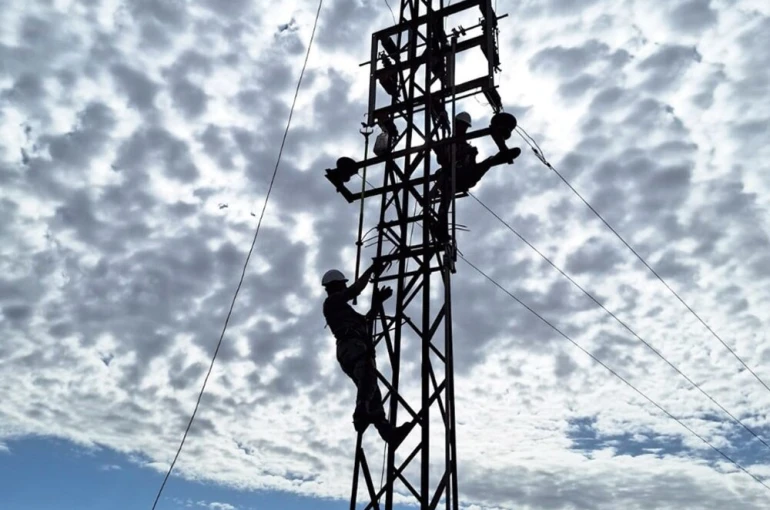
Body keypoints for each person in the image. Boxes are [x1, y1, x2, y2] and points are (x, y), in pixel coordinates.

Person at [322, 261, 413, 445]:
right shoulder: (332, 301)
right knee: (367, 376)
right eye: (343, 284)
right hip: (351, 347)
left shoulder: (343, 310)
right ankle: (360, 413)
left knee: (373, 393)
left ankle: (388, 433)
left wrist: (378, 303)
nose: (345, 286)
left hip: (352, 348)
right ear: (336, 285)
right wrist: (372, 270)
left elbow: (366, 321)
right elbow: (355, 290)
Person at [431, 111, 521, 242]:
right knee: (446, 199)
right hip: (452, 175)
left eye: (465, 127)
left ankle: (502, 156)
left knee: (490, 160)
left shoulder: (467, 146)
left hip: (468, 175)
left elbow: (472, 164)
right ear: (456, 124)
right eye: (461, 125)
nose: (464, 129)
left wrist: (471, 154)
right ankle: (441, 229)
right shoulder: (447, 143)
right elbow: (440, 156)